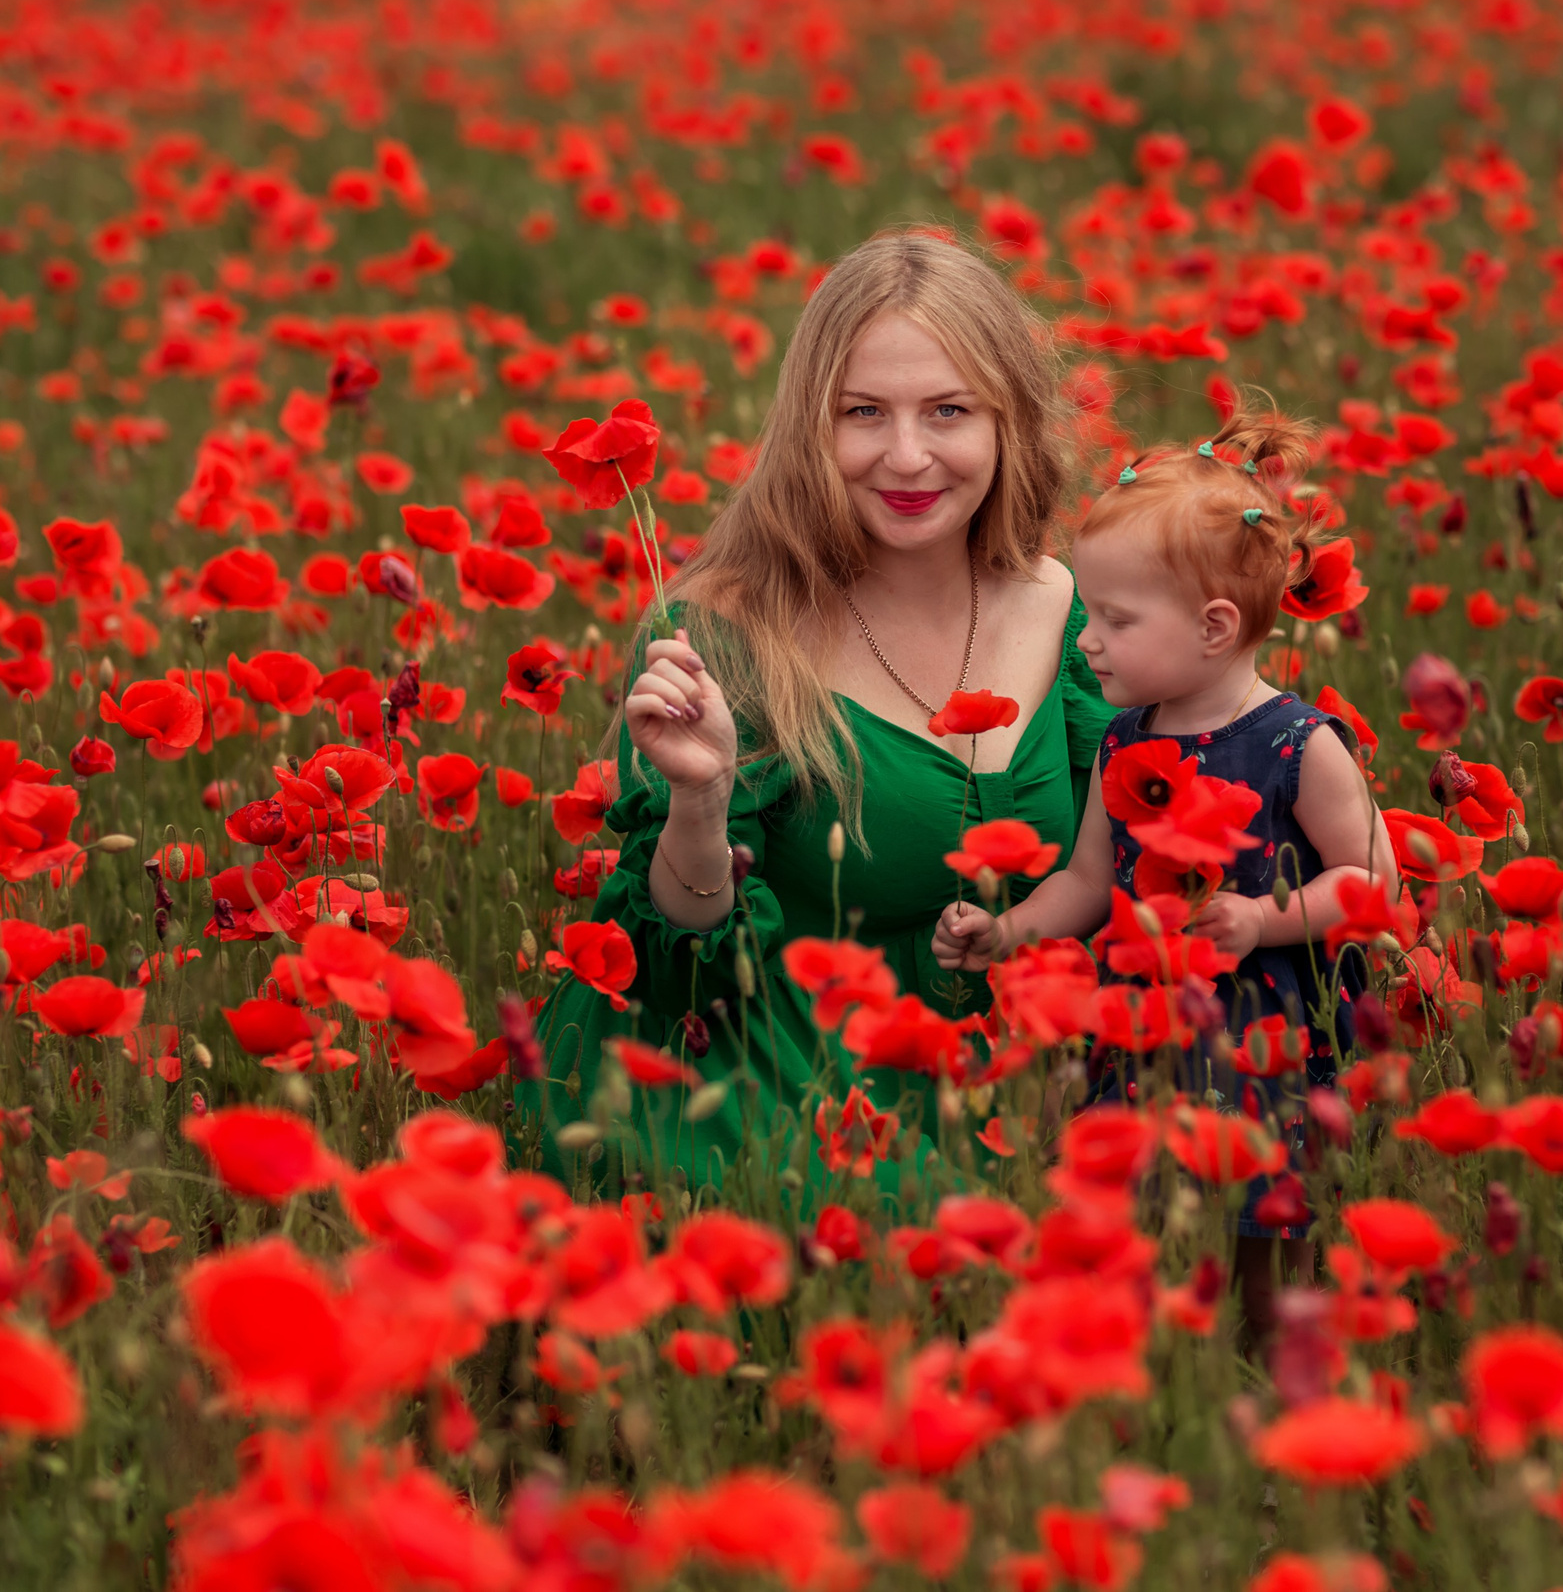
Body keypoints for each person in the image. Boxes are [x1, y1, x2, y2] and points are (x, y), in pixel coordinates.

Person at [530, 228, 1112, 1209]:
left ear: (1007, 417)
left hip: (1020, 1081)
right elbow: (679, 975)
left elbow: (1140, 854)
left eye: (948, 410)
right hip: (778, 1072)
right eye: (863, 412)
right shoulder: (726, 631)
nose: (907, 456)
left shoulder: (1069, 610)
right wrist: (700, 802)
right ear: (810, 424)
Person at [932, 414, 1397, 1350]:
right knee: (1150, 1235)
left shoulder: (1300, 746)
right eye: (1090, 616)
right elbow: (1089, 881)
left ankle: (1278, 1384)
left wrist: (1264, 919)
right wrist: (1007, 930)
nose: (1088, 643)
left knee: (1270, 1244)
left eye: (1115, 620)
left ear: (1213, 625)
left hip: (1269, 1040)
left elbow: (1372, 880)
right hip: (1147, 1033)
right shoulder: (1124, 741)